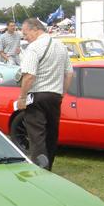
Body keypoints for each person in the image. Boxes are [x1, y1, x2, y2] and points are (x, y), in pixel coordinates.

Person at [16, 18, 73, 171]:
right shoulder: (61, 46)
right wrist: (62, 93)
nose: (25, 37)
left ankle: (40, 170)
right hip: (55, 95)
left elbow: (29, 76)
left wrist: (22, 97)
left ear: (35, 29)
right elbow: (69, 73)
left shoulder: (33, 48)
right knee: (51, 134)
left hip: (37, 95)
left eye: (25, 33)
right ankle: (49, 167)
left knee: (37, 136)